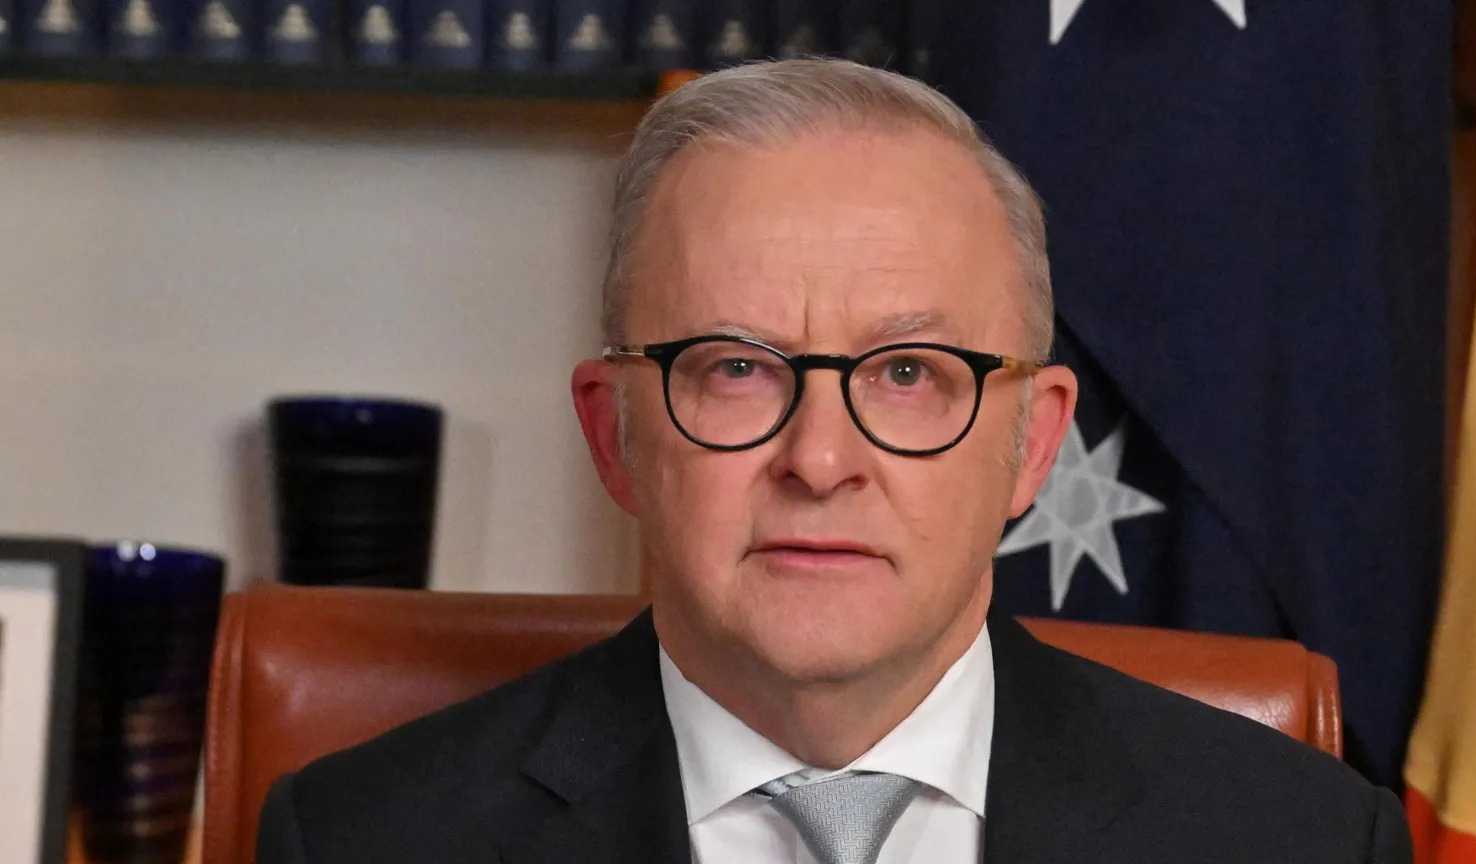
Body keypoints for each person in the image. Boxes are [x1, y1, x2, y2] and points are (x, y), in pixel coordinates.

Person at [255, 58, 1410, 864]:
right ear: (615, 435)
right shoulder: (368, 839)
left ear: (1033, 444)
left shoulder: (1294, 843)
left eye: (909, 373)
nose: (819, 459)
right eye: (736, 367)